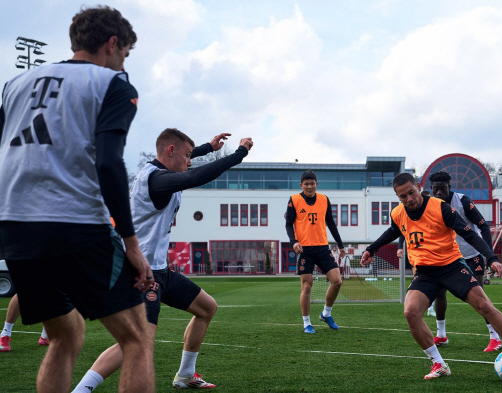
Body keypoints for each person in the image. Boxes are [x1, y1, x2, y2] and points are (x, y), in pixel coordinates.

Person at [0, 6, 155, 392]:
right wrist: (131, 244)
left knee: (64, 335)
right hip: (75, 222)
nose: (123, 63)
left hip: (16, 227)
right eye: (125, 54)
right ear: (113, 43)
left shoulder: (15, 84)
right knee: (137, 337)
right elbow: (108, 162)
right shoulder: (112, 84)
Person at [72, 129, 253, 392]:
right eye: (188, 155)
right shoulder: (157, 181)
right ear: (170, 151)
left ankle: (185, 375)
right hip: (140, 273)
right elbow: (196, 175)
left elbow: (186, 163)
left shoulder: (157, 171)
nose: (190, 161)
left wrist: (208, 148)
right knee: (138, 340)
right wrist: (239, 154)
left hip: (159, 270)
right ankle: (81, 390)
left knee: (206, 308)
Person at [360, 173, 502, 379]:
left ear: (418, 187)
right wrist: (371, 249)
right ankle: (439, 365)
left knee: (484, 306)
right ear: (397, 197)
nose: (409, 199)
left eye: (411, 192)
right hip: (425, 273)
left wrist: (491, 257)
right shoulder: (398, 213)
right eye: (402, 196)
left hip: (451, 266)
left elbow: (470, 234)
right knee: (410, 312)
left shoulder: (441, 208)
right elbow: (393, 231)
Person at [428, 171, 501, 352]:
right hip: (446, 257)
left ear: (449, 187)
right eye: (435, 189)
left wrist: (488, 255)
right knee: (439, 292)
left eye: (442, 189)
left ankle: (495, 337)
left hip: (471, 254)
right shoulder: (429, 205)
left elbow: (483, 225)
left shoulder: (463, 201)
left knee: (479, 296)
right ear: (430, 189)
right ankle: (442, 335)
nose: (439, 193)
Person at [285, 170, 346, 333]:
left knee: (337, 281)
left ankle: (326, 313)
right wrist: (294, 241)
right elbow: (288, 224)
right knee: (307, 286)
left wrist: (340, 245)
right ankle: (306, 323)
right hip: (305, 250)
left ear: (316, 184)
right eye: (306, 184)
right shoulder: (294, 200)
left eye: (312, 183)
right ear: (301, 185)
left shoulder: (324, 199)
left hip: (322, 248)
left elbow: (331, 224)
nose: (310, 186)